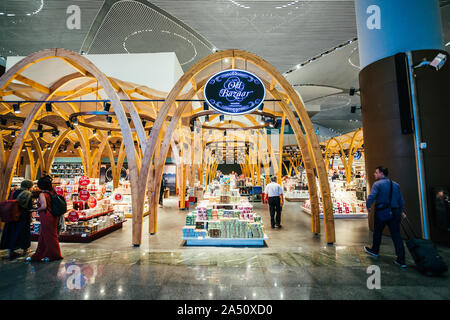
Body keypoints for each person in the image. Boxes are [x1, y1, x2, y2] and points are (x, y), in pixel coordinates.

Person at [364, 166, 406, 268]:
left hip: (382, 212)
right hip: (395, 212)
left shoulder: (377, 184)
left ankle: (375, 250)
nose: (374, 174)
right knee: (396, 235)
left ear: (381, 174)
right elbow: (401, 199)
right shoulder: (395, 184)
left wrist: (368, 206)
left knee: (377, 232)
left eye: (376, 172)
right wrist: (401, 211)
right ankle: (401, 260)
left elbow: (372, 196)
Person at [27, 177, 63, 262]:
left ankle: (54, 255)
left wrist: (34, 210)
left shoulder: (42, 194)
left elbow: (44, 206)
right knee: (44, 236)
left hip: (46, 216)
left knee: (49, 236)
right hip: (53, 216)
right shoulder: (52, 192)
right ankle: (40, 254)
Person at [0, 180, 34, 259]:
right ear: (29, 186)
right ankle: (25, 249)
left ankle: (11, 250)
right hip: (23, 216)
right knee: (23, 233)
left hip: (13, 215)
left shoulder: (15, 192)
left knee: (12, 232)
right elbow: (29, 207)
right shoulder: (28, 194)